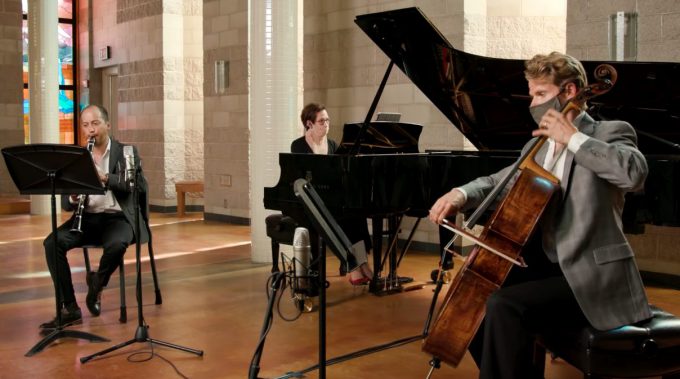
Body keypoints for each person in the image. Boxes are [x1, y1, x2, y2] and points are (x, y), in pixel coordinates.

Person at [428, 52, 651, 379]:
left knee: (504, 307)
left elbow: (634, 174)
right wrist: (460, 194)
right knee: (475, 303)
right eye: (531, 95)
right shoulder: (539, 147)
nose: (533, 104)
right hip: (547, 266)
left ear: (570, 92)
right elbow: (498, 181)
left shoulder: (609, 132)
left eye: (541, 94)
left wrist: (573, 139)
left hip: (591, 275)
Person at [40, 104, 149, 330]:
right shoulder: (78, 158)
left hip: (118, 218)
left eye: (96, 123)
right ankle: (69, 308)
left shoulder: (126, 151)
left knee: (118, 244)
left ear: (108, 125)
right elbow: (64, 202)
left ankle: (97, 283)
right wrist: (72, 196)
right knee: (52, 243)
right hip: (87, 218)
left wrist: (106, 178)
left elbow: (135, 186)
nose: (91, 130)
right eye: (86, 125)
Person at [292, 103, 373, 285]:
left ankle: (363, 263)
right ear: (309, 124)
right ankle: (353, 267)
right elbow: (302, 179)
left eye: (327, 120)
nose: (326, 124)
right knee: (341, 218)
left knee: (356, 214)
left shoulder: (333, 145)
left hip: (332, 197)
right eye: (322, 121)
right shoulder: (298, 145)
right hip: (312, 201)